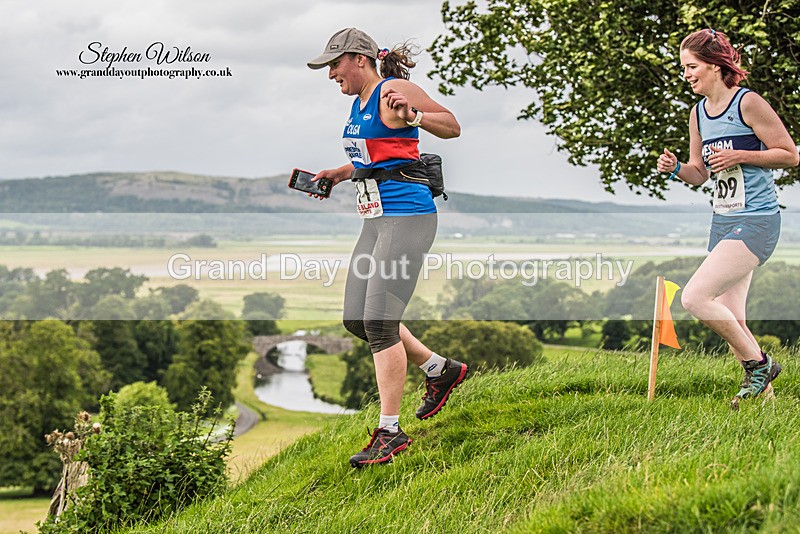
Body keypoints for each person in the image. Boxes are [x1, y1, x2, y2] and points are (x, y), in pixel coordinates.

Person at [306, 28, 469, 467]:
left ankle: (390, 432)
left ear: (359, 59)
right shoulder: (358, 104)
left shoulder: (392, 90)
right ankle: (441, 370)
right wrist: (340, 173)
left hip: (408, 219)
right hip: (376, 222)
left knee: (379, 323)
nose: (331, 75)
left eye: (334, 65)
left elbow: (451, 126)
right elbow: (378, 156)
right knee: (356, 320)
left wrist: (415, 116)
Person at [657, 29, 799, 409]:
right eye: (684, 67)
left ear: (716, 66)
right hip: (723, 221)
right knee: (733, 317)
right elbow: (700, 174)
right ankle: (765, 408)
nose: (686, 74)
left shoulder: (748, 103)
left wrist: (740, 155)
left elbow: (789, 154)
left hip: (757, 220)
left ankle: (761, 365)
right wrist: (676, 169)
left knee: (694, 297)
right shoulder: (698, 114)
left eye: (692, 66)